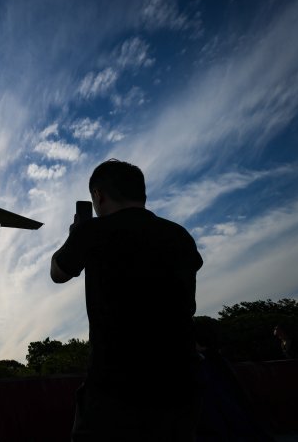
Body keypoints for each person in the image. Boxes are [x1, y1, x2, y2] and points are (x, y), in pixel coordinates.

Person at [50, 159, 203, 441]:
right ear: (141, 193)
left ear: (98, 195)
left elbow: (58, 272)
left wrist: (74, 236)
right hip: (180, 380)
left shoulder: (92, 232)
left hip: (115, 383)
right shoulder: (180, 236)